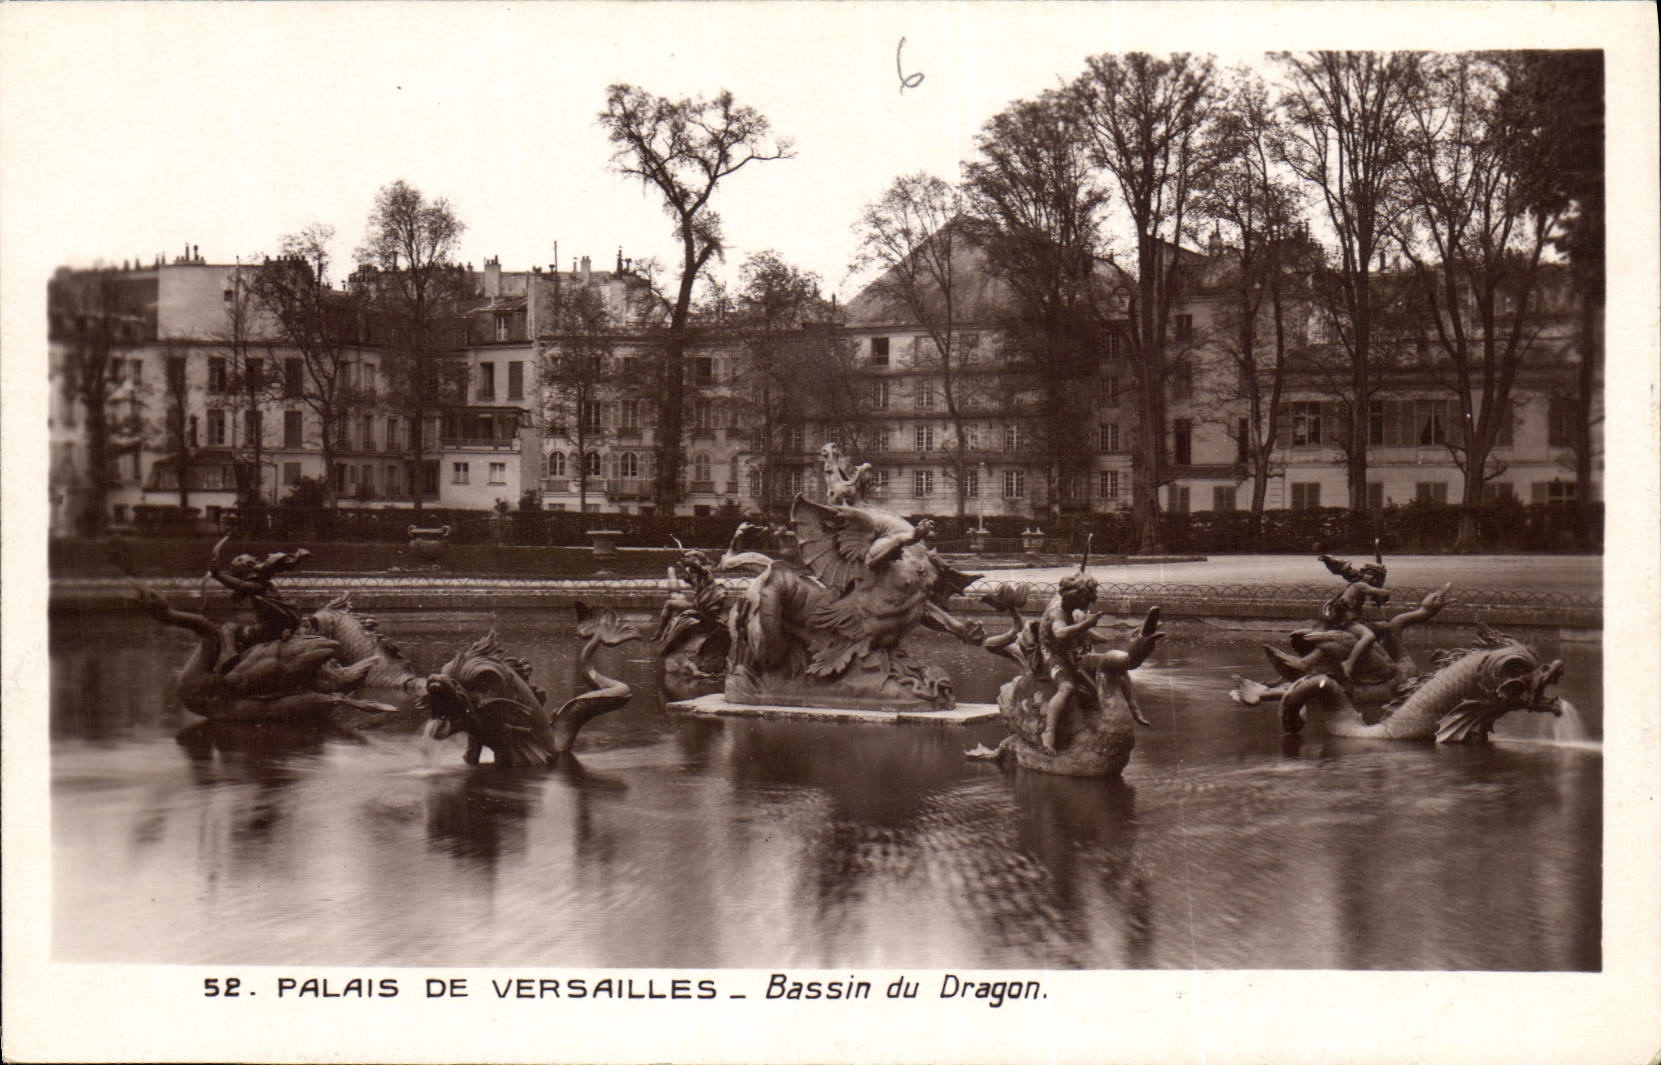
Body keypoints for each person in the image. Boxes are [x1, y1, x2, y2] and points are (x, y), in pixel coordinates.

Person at [206, 535, 311, 663]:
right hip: (279, 628)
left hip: (267, 631)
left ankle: (230, 655)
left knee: (228, 627)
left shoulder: (256, 587)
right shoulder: (266, 585)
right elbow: (240, 587)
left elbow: (239, 585)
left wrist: (218, 575)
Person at [1036, 570, 1105, 754]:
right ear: (1075, 598)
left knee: (1095, 684)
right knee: (1066, 688)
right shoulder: (1057, 611)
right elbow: (1060, 633)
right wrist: (1087, 625)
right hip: (1052, 653)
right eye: (1085, 602)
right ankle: (1048, 734)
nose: (1087, 605)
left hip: (1069, 648)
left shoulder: (1066, 598)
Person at [1316, 552, 1391, 678]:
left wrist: (1329, 560)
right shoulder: (1361, 585)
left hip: (1338, 616)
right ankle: (1349, 663)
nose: (1370, 578)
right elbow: (1379, 593)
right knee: (1369, 636)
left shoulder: (1357, 581)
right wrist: (1383, 592)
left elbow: (1342, 568)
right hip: (1346, 619)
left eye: (1373, 577)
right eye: (1369, 575)